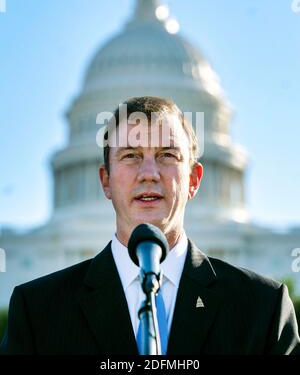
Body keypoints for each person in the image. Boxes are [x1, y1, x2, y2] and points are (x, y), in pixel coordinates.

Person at [1, 96, 299, 355]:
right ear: (105, 181)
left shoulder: (262, 308)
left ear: (194, 180)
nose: (148, 173)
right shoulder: (39, 311)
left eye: (166, 155)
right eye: (131, 156)